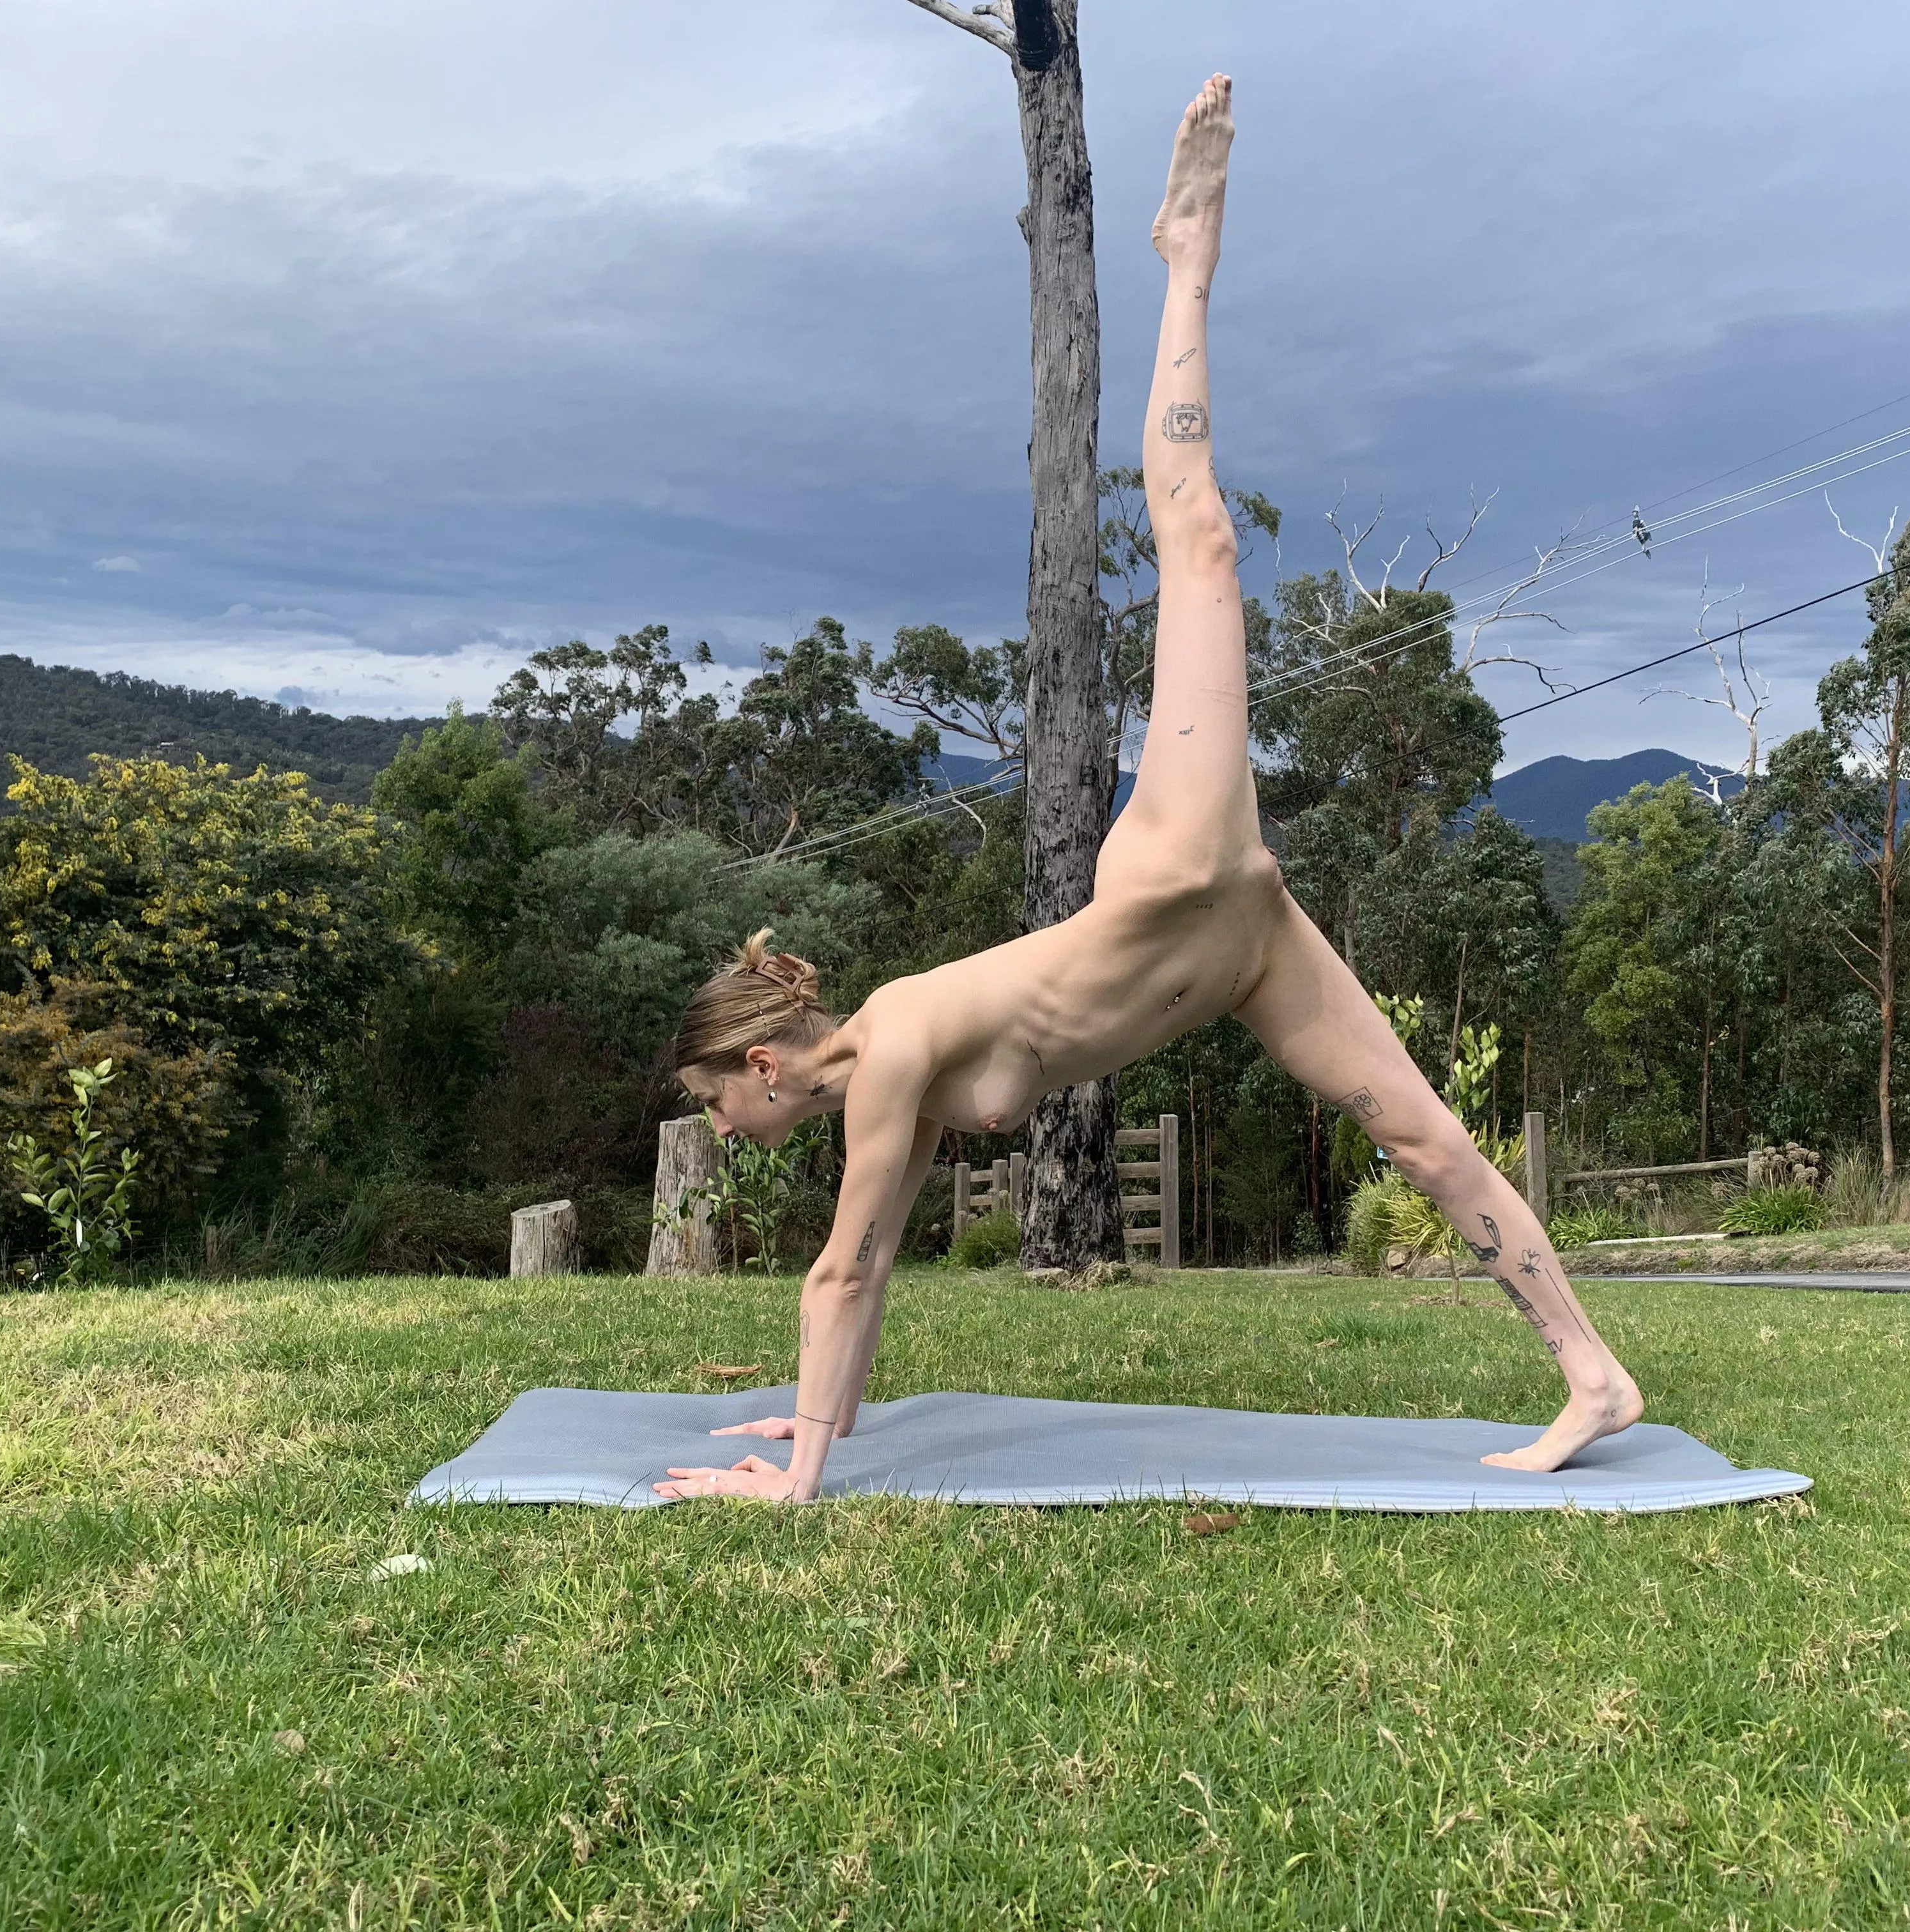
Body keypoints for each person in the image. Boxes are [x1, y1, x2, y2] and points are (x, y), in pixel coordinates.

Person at [653, 75, 1640, 1503]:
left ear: (758, 1070)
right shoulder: (893, 1075)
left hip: (1184, 874)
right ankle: (1597, 1378)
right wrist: (827, 1428)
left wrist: (791, 1480)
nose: (723, 1136)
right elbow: (866, 1279)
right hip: (1237, 952)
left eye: (711, 1108)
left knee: (1198, 543)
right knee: (1421, 1134)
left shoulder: (900, 1045)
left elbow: (846, 1261)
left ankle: (1188, 266)